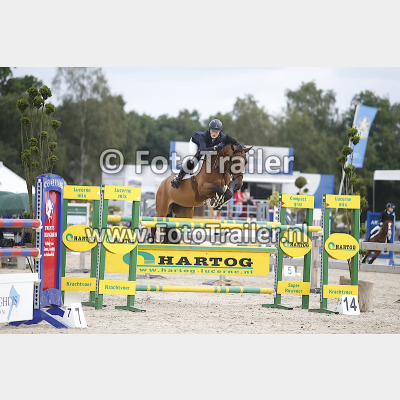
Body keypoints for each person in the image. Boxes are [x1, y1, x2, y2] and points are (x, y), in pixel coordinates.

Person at [171, 118, 239, 189]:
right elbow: (202, 150)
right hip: (196, 144)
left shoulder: (223, 137)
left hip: (208, 147)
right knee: (194, 158)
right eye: (212, 130)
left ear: (219, 131)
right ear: (209, 129)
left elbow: (233, 141)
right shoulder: (203, 136)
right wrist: (214, 148)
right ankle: (179, 177)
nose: (214, 133)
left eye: (216, 132)